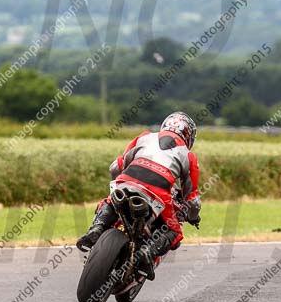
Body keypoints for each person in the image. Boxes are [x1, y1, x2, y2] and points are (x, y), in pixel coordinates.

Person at [77, 112, 201, 280]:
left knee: (109, 202)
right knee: (174, 231)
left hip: (126, 182)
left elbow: (115, 167)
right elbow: (192, 199)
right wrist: (193, 217)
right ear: (188, 136)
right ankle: (146, 254)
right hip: (158, 193)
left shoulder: (144, 137)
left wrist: (116, 187)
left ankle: (97, 228)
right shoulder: (188, 155)